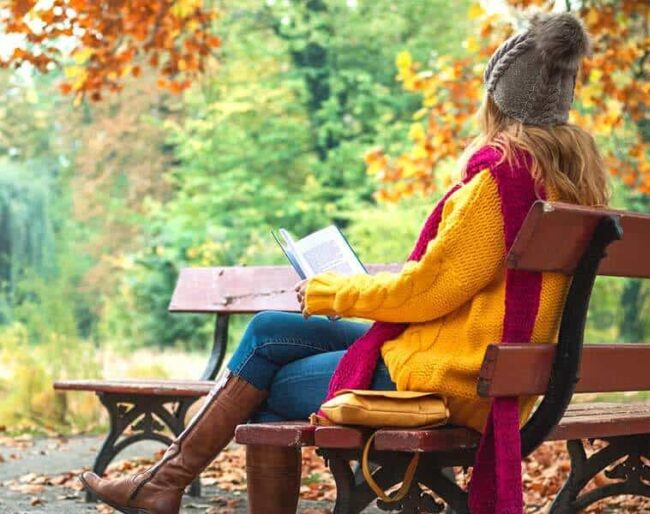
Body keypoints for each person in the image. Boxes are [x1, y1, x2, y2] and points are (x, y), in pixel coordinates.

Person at [80, 11, 608, 514]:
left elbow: (429, 291)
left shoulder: (498, 183)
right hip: (483, 367)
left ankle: (162, 484)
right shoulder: (568, 187)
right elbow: (451, 285)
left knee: (262, 395)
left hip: (450, 379)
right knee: (267, 330)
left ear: (497, 101)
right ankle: (161, 483)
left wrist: (331, 291)